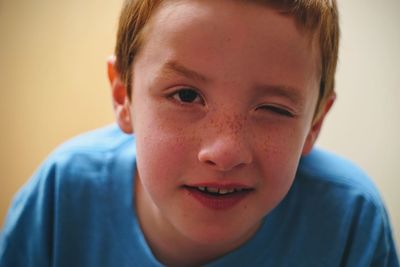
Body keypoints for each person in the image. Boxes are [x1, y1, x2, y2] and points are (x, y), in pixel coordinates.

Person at [0, 0, 399, 266]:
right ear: (124, 96)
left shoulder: (350, 221)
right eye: (186, 95)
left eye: (273, 109)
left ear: (314, 123)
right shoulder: (63, 195)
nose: (225, 151)